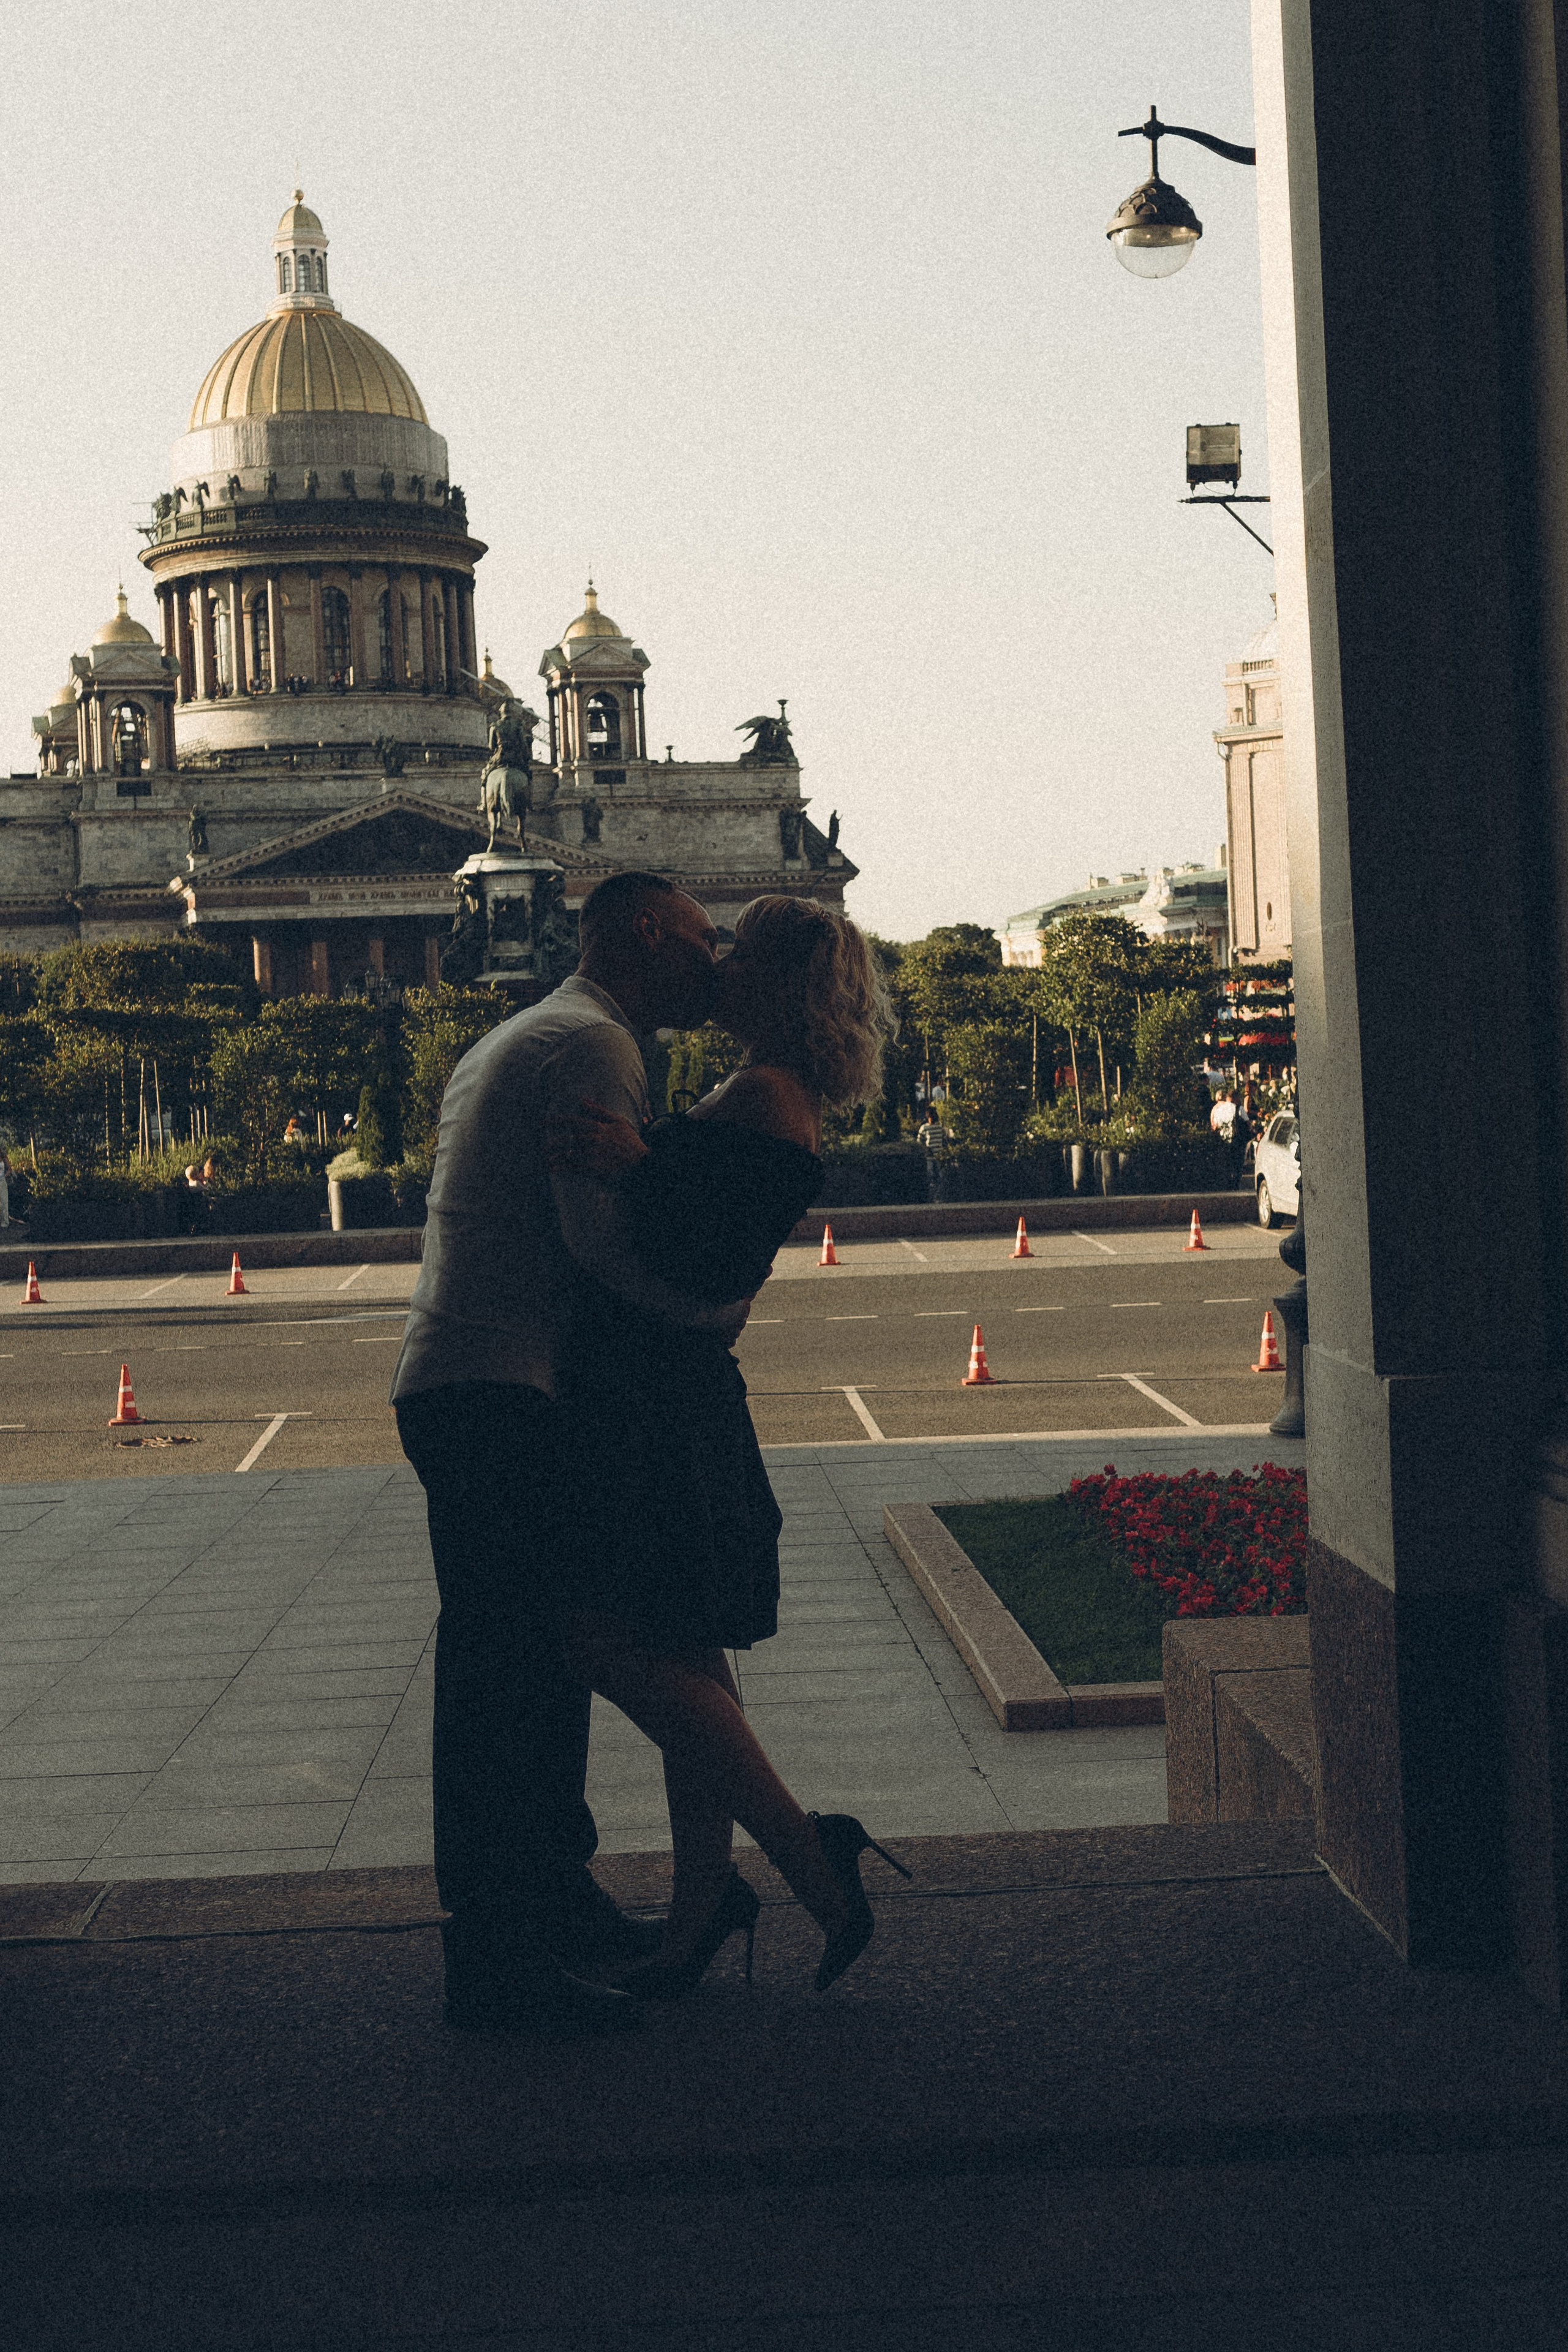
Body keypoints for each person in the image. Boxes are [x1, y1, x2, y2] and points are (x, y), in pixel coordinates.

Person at [390, 872, 752, 2037]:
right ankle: (499, 1957)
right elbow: (601, 1251)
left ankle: (553, 1905)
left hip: (471, 1378)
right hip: (503, 1387)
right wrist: (715, 1314)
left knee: (535, 1667)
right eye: (700, 940)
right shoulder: (594, 1046)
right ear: (647, 934)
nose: (714, 962)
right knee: (507, 1686)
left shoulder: (540, 1029)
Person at [545, 895, 910, 2004]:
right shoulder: (772, 1087)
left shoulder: (765, 1095)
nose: (717, 961)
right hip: (675, 1396)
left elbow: (710, 1251)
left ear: (775, 984)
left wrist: (632, 1160)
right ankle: (699, 1914)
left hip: (656, 1403)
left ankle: (808, 1855)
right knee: (688, 1654)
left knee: (595, 1638)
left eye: (736, 951)